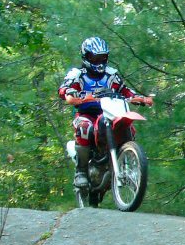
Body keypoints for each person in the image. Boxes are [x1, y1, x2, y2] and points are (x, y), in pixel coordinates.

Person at [58, 36, 153, 189]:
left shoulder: (111, 74)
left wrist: (139, 98)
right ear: (86, 56)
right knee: (84, 127)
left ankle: (129, 162)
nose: (98, 61)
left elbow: (125, 91)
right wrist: (71, 93)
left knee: (127, 124)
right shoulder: (77, 74)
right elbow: (64, 88)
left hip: (110, 112)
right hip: (86, 114)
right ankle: (81, 171)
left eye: (102, 57)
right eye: (94, 58)